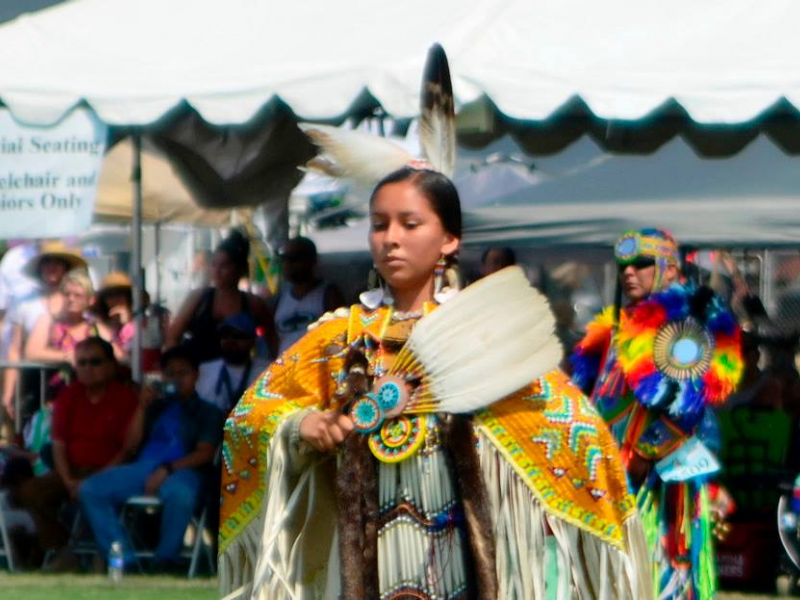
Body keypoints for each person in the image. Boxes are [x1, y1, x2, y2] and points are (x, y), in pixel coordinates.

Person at [220, 168, 651, 600]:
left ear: (449, 240)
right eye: (379, 224)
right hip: (362, 558)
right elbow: (247, 419)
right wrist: (301, 427)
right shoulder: (339, 337)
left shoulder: (482, 337)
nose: (391, 238)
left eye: (410, 224)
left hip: (459, 551)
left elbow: (571, 424)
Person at [571, 228, 743, 600]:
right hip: (606, 475)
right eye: (624, 266)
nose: (629, 272)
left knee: (658, 572)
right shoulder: (609, 333)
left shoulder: (686, 327)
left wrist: (640, 459)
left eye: (642, 264)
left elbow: (690, 409)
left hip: (659, 484)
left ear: (668, 269)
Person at [78, 346, 223, 568]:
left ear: (196, 375)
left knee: (181, 493)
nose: (176, 380)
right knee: (90, 488)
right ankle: (123, 558)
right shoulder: (154, 407)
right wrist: (142, 407)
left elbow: (205, 453)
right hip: (143, 467)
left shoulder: (208, 411)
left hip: (182, 470)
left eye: (183, 373)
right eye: (170, 374)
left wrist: (167, 469)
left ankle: (165, 560)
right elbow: (131, 446)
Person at [16, 337, 137, 567]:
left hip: (109, 473)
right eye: (81, 363)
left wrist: (97, 478)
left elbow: (127, 449)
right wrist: (68, 480)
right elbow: (59, 444)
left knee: (94, 492)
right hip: (70, 471)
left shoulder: (126, 398)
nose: (87, 368)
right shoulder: (68, 395)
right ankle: (62, 550)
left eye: (95, 362)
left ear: (111, 365)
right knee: (31, 492)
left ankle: (104, 553)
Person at [1, 242, 87, 426]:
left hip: (75, 380)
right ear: (40, 267)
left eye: (57, 262)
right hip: (33, 382)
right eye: (47, 262)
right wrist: (9, 392)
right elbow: (14, 350)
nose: (52, 267)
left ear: (66, 268)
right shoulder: (24, 304)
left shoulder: (78, 299)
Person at [166, 230, 278, 363]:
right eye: (214, 265)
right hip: (200, 371)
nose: (217, 271)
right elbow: (173, 336)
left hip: (239, 374)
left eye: (224, 266)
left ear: (240, 269)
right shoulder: (198, 297)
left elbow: (272, 340)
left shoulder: (253, 303)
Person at [272, 236, 344, 354]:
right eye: (284, 259)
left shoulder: (328, 294)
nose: (287, 264)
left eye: (294, 259)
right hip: (284, 367)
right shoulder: (281, 297)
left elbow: (338, 333)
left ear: (311, 260)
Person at [196, 313, 269, 415]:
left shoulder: (267, 371)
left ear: (252, 341)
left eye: (239, 336)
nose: (230, 340)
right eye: (225, 335)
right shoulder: (203, 370)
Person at [93, 272, 135, 363]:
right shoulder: (98, 324)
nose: (115, 299)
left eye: (120, 294)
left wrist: (126, 324)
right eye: (110, 296)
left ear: (129, 297)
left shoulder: (139, 323)